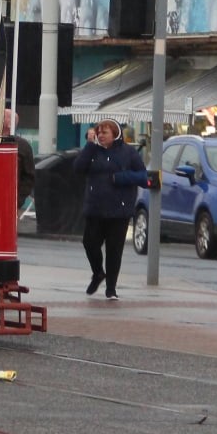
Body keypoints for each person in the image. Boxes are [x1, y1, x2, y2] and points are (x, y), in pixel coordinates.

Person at [72, 117, 149, 300]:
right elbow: (78, 168)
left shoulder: (128, 153)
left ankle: (111, 288)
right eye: (99, 132)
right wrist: (89, 145)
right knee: (90, 243)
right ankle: (98, 272)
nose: (101, 135)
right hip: (95, 208)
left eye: (105, 132)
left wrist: (121, 178)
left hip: (119, 211)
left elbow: (143, 177)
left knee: (114, 250)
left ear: (115, 134)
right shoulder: (93, 151)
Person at [6, 110, 37, 220]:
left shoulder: (23, 146)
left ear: (9, 124)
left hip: (10, 202)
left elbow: (29, 176)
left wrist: (17, 201)